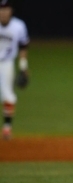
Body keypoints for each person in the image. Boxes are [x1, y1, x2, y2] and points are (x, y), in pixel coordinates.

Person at [0, 0, 30, 140]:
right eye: (1, 9)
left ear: (11, 11)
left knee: (8, 96)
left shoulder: (19, 26)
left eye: (6, 9)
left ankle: (7, 129)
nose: (4, 12)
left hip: (7, 64)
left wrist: (23, 67)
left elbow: (23, 47)